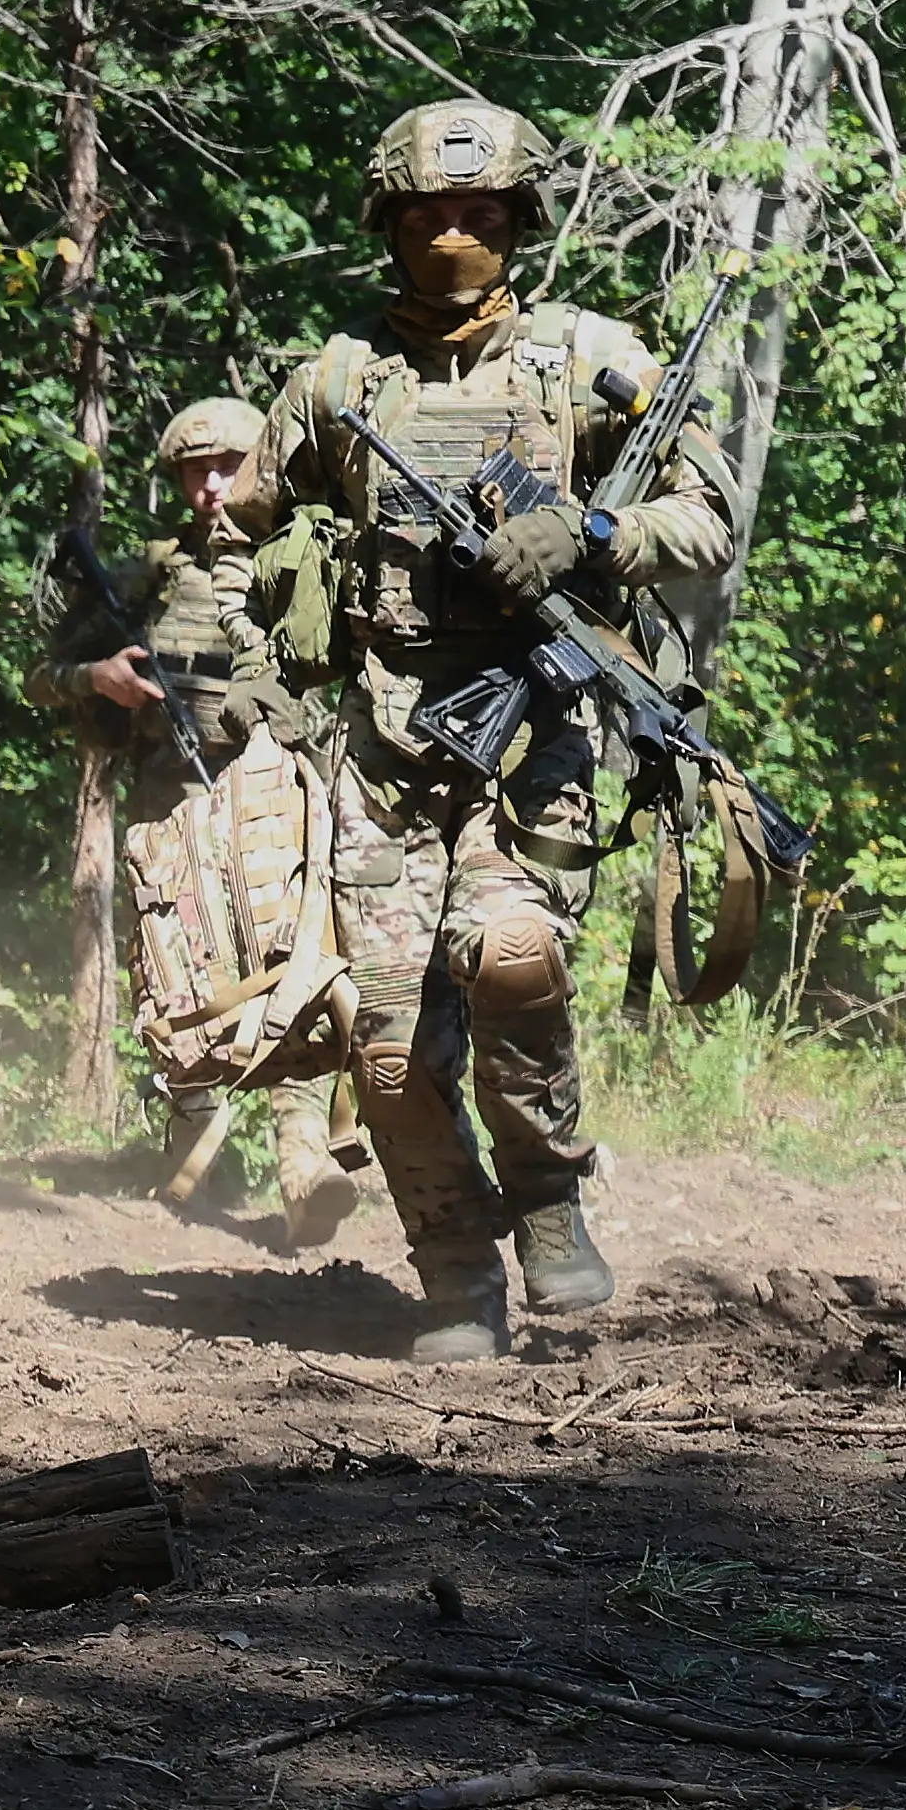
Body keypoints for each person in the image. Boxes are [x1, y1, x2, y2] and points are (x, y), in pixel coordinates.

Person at [250, 97, 726, 1359]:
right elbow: (248, 522)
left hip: (534, 733)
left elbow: (708, 517)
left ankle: (552, 1202)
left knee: (513, 953)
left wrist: (594, 533)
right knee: (392, 1046)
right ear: (387, 224)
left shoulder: (587, 360)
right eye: (425, 213)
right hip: (384, 750)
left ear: (519, 218)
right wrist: (273, 664)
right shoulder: (339, 380)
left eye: (477, 211)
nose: (451, 232)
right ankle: (456, 1269)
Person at [46, 396, 369, 1247]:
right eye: (197, 471)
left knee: (296, 968)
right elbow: (42, 672)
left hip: (280, 803)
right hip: (176, 808)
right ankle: (190, 1156)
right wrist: (98, 679)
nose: (215, 486)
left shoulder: (295, 562)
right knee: (180, 969)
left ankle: (303, 1167)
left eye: (230, 466)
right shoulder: (150, 575)